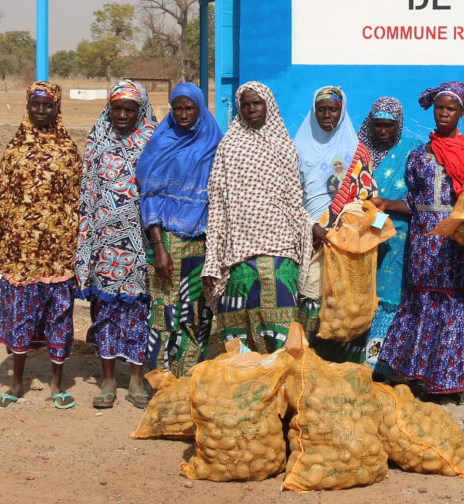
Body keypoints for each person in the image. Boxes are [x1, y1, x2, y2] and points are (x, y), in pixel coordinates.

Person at [0, 81, 82, 410]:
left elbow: (79, 203)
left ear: (57, 107)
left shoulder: (68, 149)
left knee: (59, 319)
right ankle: (17, 383)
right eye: (35, 104)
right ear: (27, 106)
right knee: (20, 317)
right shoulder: (15, 148)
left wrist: (81, 252)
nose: (40, 111)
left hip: (58, 254)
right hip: (19, 254)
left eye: (47, 105)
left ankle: (56, 384)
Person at [375, 81, 464, 399]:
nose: (444, 113)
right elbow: (414, 200)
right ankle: (417, 373)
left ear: (461, 112)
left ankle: (449, 380)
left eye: (451, 108)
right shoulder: (419, 155)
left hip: (455, 244)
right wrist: (386, 205)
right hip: (422, 245)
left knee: (453, 305)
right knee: (422, 304)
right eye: (440, 107)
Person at [201, 81, 314, 353]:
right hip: (238, 252)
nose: (251, 109)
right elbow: (217, 203)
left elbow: (293, 201)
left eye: (257, 103)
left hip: (280, 249)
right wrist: (213, 259)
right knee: (238, 327)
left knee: (282, 327)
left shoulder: (284, 147)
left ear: (269, 106)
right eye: (246, 104)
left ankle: (281, 384)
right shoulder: (229, 147)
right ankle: (246, 385)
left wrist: (312, 227)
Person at [75, 79, 158, 409]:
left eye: (129, 109)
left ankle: (136, 380)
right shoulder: (97, 139)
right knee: (105, 312)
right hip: (103, 243)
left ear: (140, 110)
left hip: (139, 243)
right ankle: (108, 380)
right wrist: (85, 242)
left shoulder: (152, 140)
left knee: (139, 312)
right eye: (117, 108)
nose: (122, 115)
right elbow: (87, 191)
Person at [137, 81, 222, 377]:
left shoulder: (214, 142)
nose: (183, 114)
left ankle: (187, 380)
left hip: (202, 244)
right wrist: (158, 247)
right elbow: (149, 196)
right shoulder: (161, 143)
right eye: (178, 108)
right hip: (168, 242)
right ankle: (159, 381)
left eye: (189, 108)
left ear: (200, 109)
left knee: (194, 313)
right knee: (163, 311)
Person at [293, 85, 377, 362]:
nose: (327, 115)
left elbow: (368, 197)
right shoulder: (297, 147)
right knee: (311, 300)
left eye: (333, 109)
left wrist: (348, 225)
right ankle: (307, 363)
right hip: (309, 238)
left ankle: (341, 368)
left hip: (346, 243)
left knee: (343, 304)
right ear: (313, 111)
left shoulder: (358, 152)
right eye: (321, 109)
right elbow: (290, 195)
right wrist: (311, 226)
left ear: (342, 112)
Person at [356, 96, 420, 374]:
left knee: (391, 299)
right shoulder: (360, 154)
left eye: (389, 126)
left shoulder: (413, 152)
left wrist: (390, 205)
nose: (383, 131)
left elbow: (423, 197)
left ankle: (382, 364)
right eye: (378, 125)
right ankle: (360, 360)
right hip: (363, 237)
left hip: (398, 239)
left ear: (399, 125)